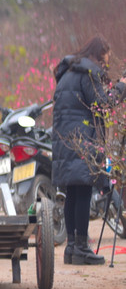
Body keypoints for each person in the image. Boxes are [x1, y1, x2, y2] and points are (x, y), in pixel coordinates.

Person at [52, 36, 126, 265]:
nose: (107, 61)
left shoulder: (68, 73)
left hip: (66, 138)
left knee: (73, 193)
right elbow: (102, 104)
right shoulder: (88, 73)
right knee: (82, 190)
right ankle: (82, 248)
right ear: (99, 52)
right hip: (82, 138)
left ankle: (72, 248)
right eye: (106, 56)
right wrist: (122, 86)